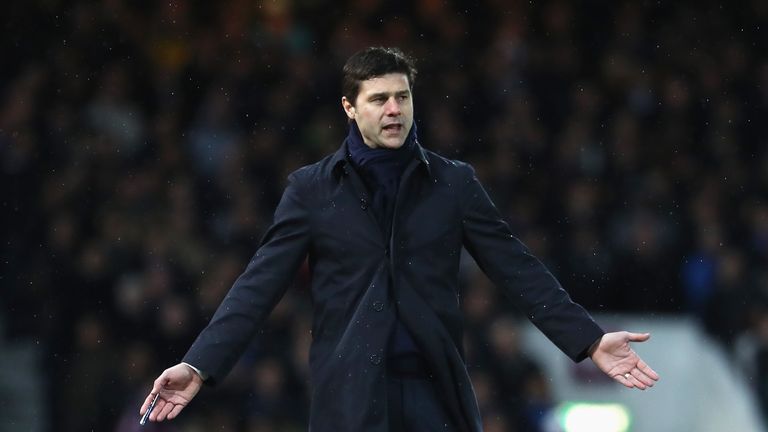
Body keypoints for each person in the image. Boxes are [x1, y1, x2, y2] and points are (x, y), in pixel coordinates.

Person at [140, 46, 659, 431]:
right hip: (349, 395)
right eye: (380, 99)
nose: (394, 109)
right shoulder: (312, 190)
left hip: (434, 389)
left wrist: (588, 340)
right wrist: (199, 364)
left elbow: (516, 268)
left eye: (403, 97)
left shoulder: (453, 183)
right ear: (350, 107)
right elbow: (258, 286)